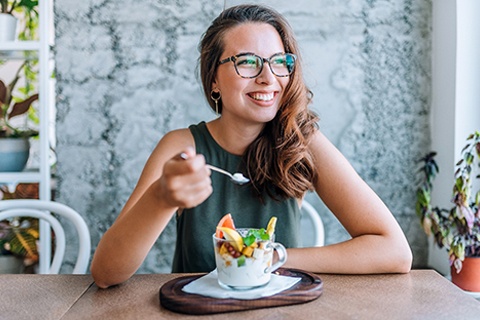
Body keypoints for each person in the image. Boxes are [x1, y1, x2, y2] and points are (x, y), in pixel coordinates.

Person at [91, 4, 412, 288]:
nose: (267, 77)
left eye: (279, 62)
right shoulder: (182, 145)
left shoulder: (301, 142)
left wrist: (274, 257)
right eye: (247, 62)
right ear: (213, 79)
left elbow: (394, 252)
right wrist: (160, 198)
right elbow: (106, 273)